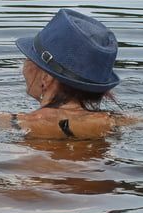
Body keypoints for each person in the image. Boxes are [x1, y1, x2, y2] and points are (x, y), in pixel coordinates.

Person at [10, 8, 125, 140]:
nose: (23, 67)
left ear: (47, 77)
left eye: (29, 58)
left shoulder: (12, 123)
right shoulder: (117, 123)